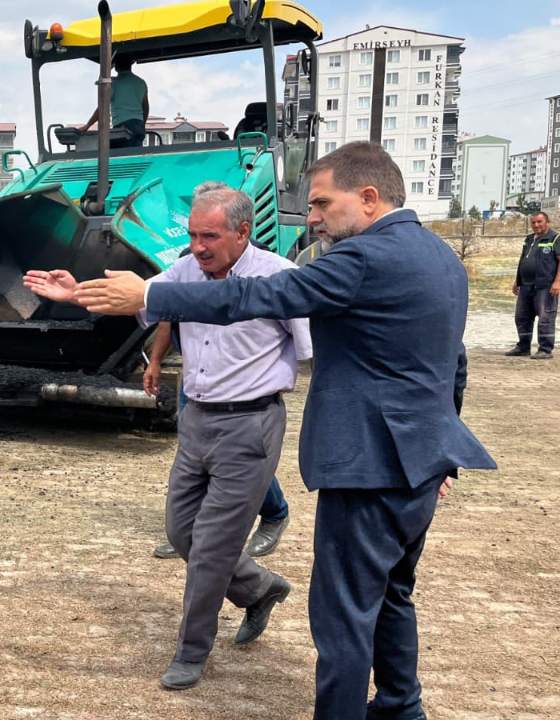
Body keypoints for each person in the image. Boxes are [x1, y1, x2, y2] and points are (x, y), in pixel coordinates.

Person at [26, 141, 497, 719]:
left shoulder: (362, 259)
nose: (315, 216)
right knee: (392, 595)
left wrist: (150, 292)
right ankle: (401, 707)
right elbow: (453, 362)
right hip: (415, 465)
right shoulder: (441, 257)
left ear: (368, 198)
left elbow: (259, 295)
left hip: (369, 465)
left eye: (322, 202)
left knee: (343, 613)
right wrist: (439, 447)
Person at [49, 183, 310, 690]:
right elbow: (142, 302)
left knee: (210, 547)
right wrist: (76, 293)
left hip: (250, 424)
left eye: (208, 236)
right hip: (196, 419)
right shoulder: (187, 270)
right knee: (180, 531)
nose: (197, 246)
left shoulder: (280, 279)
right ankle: (260, 587)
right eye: (192, 235)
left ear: (243, 231)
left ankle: (192, 651)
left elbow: (311, 353)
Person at [146, 319, 294, 561]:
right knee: (195, 456)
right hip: (196, 375)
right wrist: (154, 361)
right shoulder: (182, 281)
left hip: (236, 378)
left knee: (243, 456)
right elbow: (167, 317)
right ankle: (190, 533)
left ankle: (275, 514)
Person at [507, 211, 557, 359]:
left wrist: (557, 282)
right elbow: (523, 260)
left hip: (545, 286)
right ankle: (523, 346)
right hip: (526, 285)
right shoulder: (529, 239)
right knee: (522, 317)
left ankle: (545, 349)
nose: (536, 225)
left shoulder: (555, 238)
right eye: (533, 222)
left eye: (539, 222)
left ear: (547, 222)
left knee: (545, 318)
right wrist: (518, 280)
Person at [80, 54, 149, 148]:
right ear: (130, 65)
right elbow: (145, 107)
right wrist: (142, 124)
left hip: (123, 126)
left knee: (113, 154)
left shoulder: (113, 83)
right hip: (139, 125)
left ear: (116, 67)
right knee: (135, 155)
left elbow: (103, 107)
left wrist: (88, 125)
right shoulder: (141, 82)